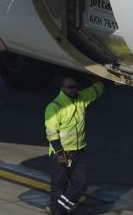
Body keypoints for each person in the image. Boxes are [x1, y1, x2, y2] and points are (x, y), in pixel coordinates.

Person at [44, 73, 104, 214]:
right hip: (62, 152)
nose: (74, 90)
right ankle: (58, 211)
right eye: (70, 87)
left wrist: (99, 79)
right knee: (59, 186)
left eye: (75, 87)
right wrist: (59, 152)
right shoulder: (54, 107)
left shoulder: (81, 98)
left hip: (79, 151)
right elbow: (51, 133)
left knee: (81, 184)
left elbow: (96, 90)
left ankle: (57, 209)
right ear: (62, 87)